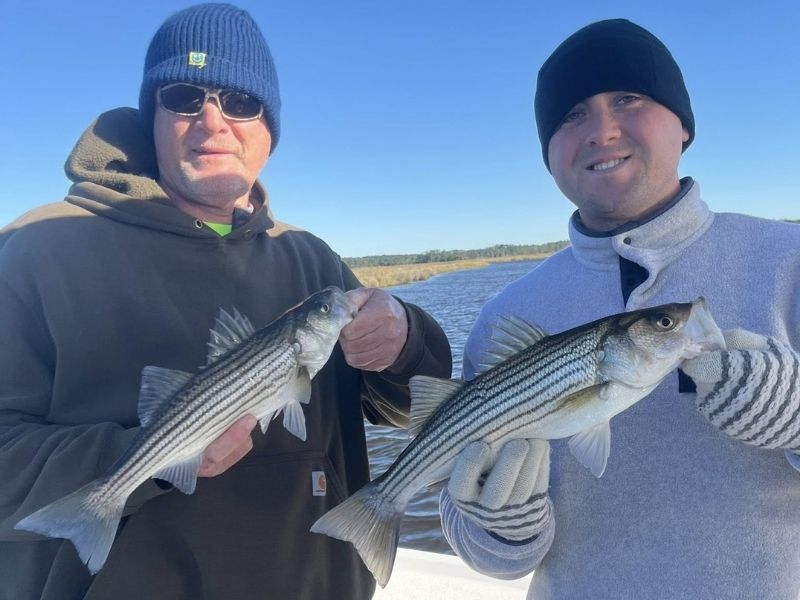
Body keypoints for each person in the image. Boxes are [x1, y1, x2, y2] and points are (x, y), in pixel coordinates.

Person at [0, 4, 451, 599]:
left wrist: (406, 338)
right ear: (151, 116)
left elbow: (407, 407)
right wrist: (143, 456)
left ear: (270, 127)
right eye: (185, 96)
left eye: (241, 101)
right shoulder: (36, 249)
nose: (213, 122)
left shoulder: (311, 258)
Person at [439, 18, 800, 599]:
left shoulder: (789, 259)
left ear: (682, 125)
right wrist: (497, 529)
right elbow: (485, 551)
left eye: (628, 98)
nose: (602, 130)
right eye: (571, 115)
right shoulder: (507, 312)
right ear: (548, 154)